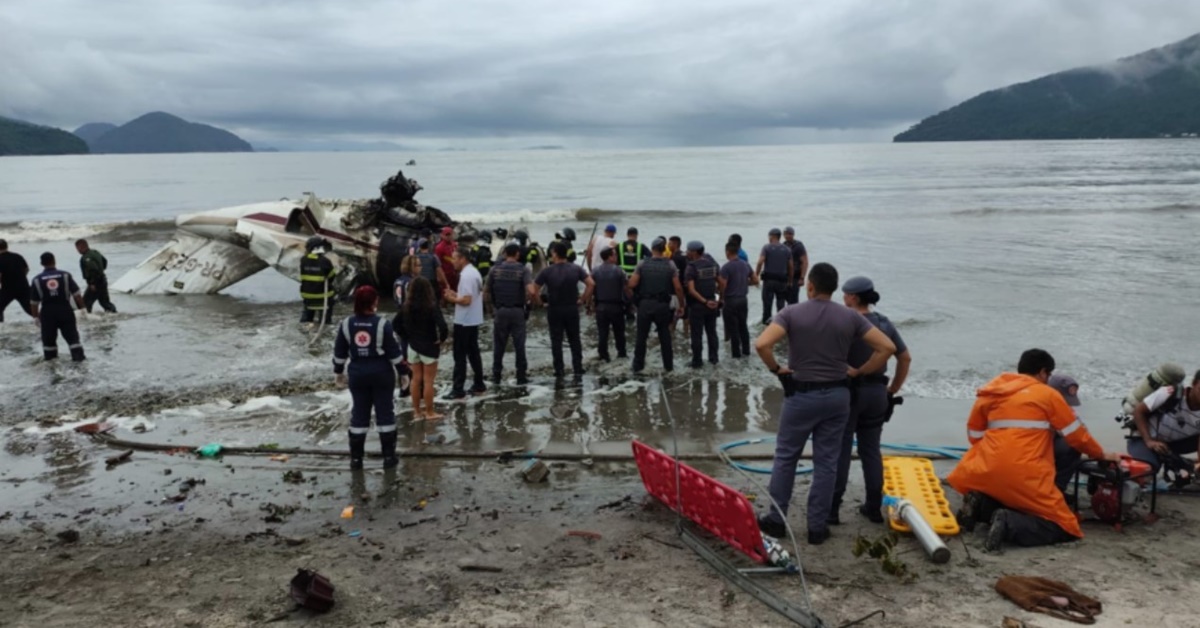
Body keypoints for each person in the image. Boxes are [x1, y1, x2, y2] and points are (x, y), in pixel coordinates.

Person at [754, 262, 896, 545]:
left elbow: (762, 345)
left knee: (786, 457)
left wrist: (777, 369)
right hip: (837, 397)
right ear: (833, 288)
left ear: (810, 286)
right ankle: (817, 527)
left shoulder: (791, 313)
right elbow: (888, 348)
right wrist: (860, 371)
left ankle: (776, 520)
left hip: (801, 396)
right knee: (827, 462)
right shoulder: (850, 317)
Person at [948, 349, 1119, 552]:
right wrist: (1101, 454)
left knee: (1009, 497)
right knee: (1066, 526)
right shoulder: (1048, 395)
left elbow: (974, 436)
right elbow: (1077, 436)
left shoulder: (992, 392)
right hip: (1025, 476)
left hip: (983, 472)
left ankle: (981, 506)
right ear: (1043, 372)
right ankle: (1008, 523)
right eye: (1049, 375)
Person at [831, 276, 912, 524]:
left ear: (854, 297)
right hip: (878, 393)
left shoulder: (845, 322)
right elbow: (905, 358)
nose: (842, 298)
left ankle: (833, 510)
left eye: (845, 295)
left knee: (841, 450)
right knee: (871, 450)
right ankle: (874, 506)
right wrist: (893, 389)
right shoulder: (884, 323)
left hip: (849, 393)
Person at [333, 286, 405, 469]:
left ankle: (356, 460)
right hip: (381, 374)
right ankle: (389, 458)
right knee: (385, 413)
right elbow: (394, 352)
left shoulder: (346, 324)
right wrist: (403, 373)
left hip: (357, 374)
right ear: (374, 302)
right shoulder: (383, 324)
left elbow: (340, 353)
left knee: (359, 414)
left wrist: (338, 372)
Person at [536, 241, 595, 379]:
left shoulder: (547, 271)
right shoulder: (575, 269)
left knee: (556, 340)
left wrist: (540, 304)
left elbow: (533, 290)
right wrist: (582, 299)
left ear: (554, 254)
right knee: (574, 339)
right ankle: (578, 368)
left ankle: (559, 370)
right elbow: (591, 284)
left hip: (554, 308)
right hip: (571, 308)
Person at [393, 277, 448, 421]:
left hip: (413, 347)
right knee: (428, 381)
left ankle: (416, 412)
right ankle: (430, 412)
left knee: (415, 380)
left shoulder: (406, 306)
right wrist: (441, 340)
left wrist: (407, 336)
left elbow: (395, 324)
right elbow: (443, 326)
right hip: (429, 346)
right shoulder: (431, 305)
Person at [628, 238, 685, 373]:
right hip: (662, 306)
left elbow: (632, 284)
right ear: (663, 249)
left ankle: (637, 367)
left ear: (652, 249)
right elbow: (678, 288)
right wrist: (681, 305)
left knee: (641, 337)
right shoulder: (670, 265)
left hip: (645, 305)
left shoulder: (642, 264)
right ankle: (668, 367)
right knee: (665, 336)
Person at [1126, 369, 1200, 473]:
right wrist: (1149, 441)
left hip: (1173, 444)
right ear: (1194, 383)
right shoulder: (1170, 393)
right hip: (1143, 438)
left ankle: (1189, 465)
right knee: (1147, 470)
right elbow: (1138, 411)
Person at [485, 243, 535, 385]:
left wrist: (491, 312)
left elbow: (486, 292)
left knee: (499, 345)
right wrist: (529, 307)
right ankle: (521, 376)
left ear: (505, 254)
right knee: (519, 345)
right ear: (518, 254)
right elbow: (531, 291)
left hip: (500, 311)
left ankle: (496, 375)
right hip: (517, 311)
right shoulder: (523, 270)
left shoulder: (494, 270)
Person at [443, 247, 486, 399]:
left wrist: (451, 299)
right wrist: (456, 295)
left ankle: (458, 389)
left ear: (463, 259)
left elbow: (466, 300)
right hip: (473, 319)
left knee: (459, 355)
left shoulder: (466, 275)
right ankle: (479, 383)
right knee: (473, 353)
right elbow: (470, 296)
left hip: (464, 320)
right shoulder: (474, 272)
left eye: (455, 258)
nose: (452, 262)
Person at [29, 252, 88, 361]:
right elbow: (77, 295)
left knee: (49, 343)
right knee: (73, 339)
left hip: (47, 313)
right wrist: (83, 309)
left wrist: (36, 317)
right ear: (54, 261)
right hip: (65, 310)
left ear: (42, 263)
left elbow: (34, 303)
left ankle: (52, 367)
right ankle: (80, 364)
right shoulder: (65, 275)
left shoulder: (36, 280)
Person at [684, 241, 720, 368]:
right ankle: (714, 359)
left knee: (696, 334)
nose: (686, 252)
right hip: (712, 304)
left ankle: (697, 362)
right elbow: (721, 282)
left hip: (698, 305)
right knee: (712, 333)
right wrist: (718, 299)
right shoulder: (712, 264)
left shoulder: (691, 267)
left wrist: (704, 301)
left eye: (688, 250)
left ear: (694, 252)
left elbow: (692, 290)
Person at [1047, 374, 1085, 494]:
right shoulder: (1045, 407)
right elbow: (1077, 438)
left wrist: (1097, 452)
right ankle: (1056, 491)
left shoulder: (1067, 410)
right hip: (1033, 449)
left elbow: (1082, 432)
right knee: (1072, 447)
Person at [718, 241, 757, 359]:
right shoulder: (745, 264)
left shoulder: (726, 267)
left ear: (727, 252)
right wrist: (744, 284)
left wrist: (720, 298)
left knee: (733, 329)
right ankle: (746, 352)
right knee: (743, 327)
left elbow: (723, 285)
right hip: (743, 300)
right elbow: (756, 280)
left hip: (731, 301)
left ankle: (736, 356)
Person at [590, 247, 629, 361]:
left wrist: (589, 304)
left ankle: (603, 356)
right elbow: (626, 288)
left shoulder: (595, 271)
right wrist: (632, 303)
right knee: (619, 333)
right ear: (610, 257)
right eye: (615, 255)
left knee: (602, 333)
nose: (616, 257)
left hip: (601, 307)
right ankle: (621, 355)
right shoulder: (619, 271)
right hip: (616, 306)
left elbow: (591, 288)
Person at [755, 228, 793, 325]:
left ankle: (766, 325)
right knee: (780, 305)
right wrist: (790, 281)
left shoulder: (766, 248)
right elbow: (791, 267)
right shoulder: (787, 249)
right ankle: (780, 324)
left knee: (767, 305)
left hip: (769, 281)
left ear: (771, 236)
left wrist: (756, 275)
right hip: (782, 281)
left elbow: (760, 262)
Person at [299, 236, 337, 325]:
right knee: (325, 321)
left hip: (308, 296)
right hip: (323, 296)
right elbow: (332, 276)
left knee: (307, 321)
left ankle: (306, 323)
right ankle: (326, 323)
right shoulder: (325, 261)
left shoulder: (303, 260)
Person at [74, 239, 117, 314]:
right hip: (102, 279)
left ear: (81, 247)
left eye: (77, 248)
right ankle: (114, 313)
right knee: (105, 302)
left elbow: (93, 269)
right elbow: (104, 262)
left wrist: (92, 283)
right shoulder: (95, 252)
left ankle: (88, 319)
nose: (77, 251)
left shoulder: (86, 257)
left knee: (85, 303)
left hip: (96, 283)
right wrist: (101, 270)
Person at [0, 239, 34, 324]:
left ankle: (1, 326)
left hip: (7, 288)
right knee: (30, 309)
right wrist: (19, 278)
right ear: (7, 246)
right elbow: (26, 269)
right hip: (23, 287)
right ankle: (45, 322)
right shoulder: (17, 256)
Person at [782, 227, 808, 305]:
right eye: (786, 234)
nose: (788, 236)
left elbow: (805, 262)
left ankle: (795, 316)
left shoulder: (798, 246)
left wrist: (802, 278)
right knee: (784, 298)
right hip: (785, 277)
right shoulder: (783, 245)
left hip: (795, 277)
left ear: (793, 235)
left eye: (790, 234)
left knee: (793, 300)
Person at [435, 226, 459, 290]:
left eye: (450, 234)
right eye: (447, 235)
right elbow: (437, 264)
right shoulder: (439, 248)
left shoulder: (455, 245)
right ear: (442, 235)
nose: (449, 236)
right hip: (445, 275)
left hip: (454, 274)